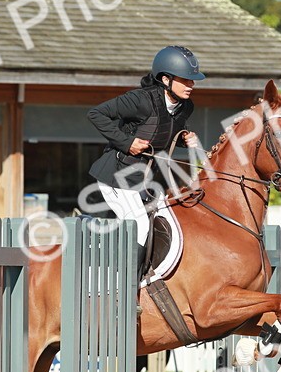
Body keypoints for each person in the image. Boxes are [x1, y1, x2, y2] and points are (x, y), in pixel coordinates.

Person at [87, 45, 204, 249]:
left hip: (143, 180)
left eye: (192, 80)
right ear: (166, 80)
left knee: (169, 221)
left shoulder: (186, 106)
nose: (191, 84)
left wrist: (186, 139)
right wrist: (126, 142)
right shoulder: (140, 100)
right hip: (115, 177)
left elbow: (167, 131)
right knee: (140, 227)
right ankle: (130, 280)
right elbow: (96, 114)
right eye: (185, 79)